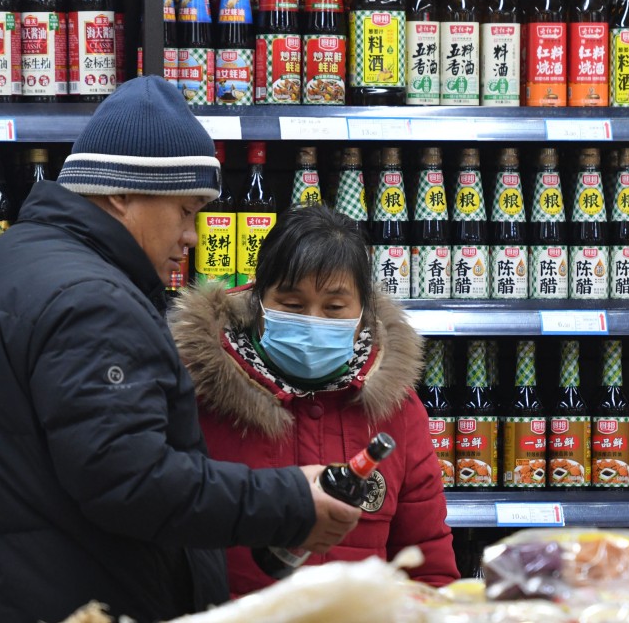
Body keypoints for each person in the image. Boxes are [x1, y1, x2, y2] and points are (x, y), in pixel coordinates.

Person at [0, 76, 363, 623]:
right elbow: (129, 479)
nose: (193, 236)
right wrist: (289, 500)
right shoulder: (92, 301)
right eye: (186, 209)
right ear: (122, 192)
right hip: (79, 607)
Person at [170, 206, 460, 596]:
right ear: (258, 300)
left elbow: (428, 566)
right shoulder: (197, 393)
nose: (313, 320)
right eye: (291, 305)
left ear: (363, 313)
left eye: (335, 308)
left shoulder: (397, 411)